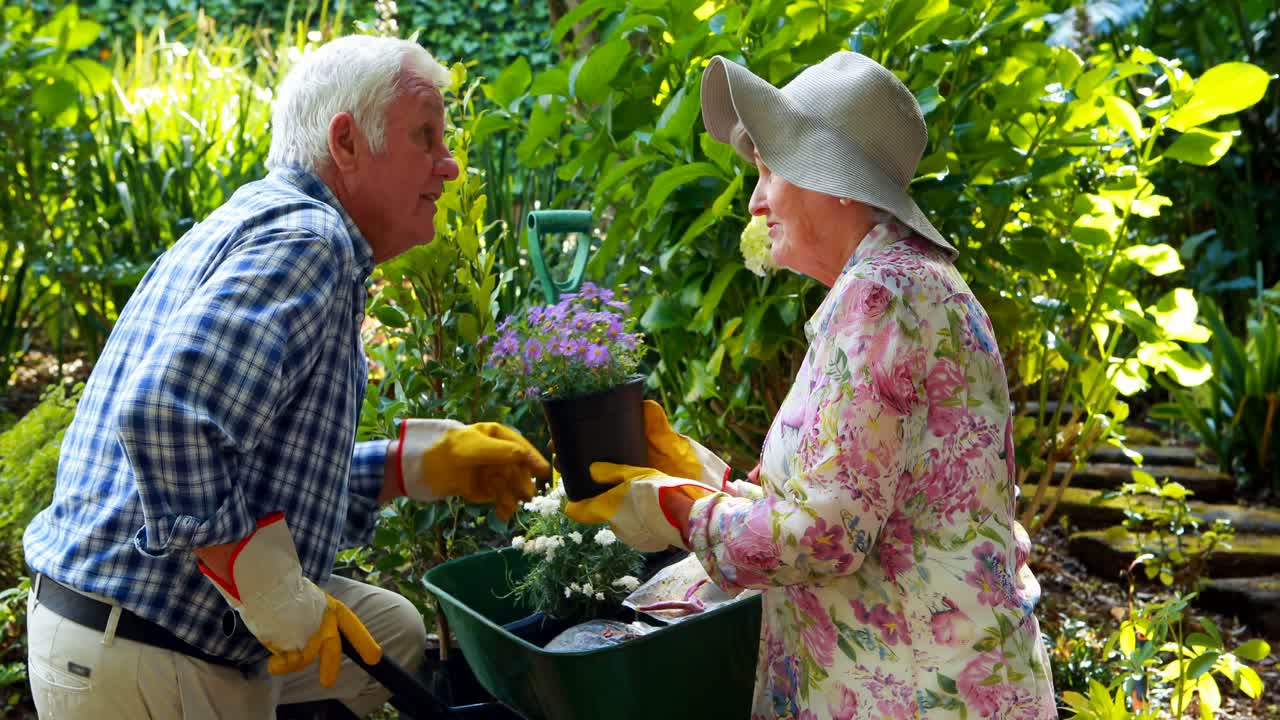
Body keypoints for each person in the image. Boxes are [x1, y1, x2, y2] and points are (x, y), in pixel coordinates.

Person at [23, 35, 549, 719]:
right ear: (347, 141)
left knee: (388, 627)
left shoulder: (262, 221)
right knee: (332, 628)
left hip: (103, 623)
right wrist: (280, 600)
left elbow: (255, 465)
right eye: (426, 136)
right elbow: (166, 418)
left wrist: (410, 465)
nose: (448, 167)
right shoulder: (310, 242)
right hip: (149, 650)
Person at [567, 52, 1057, 719]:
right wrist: (713, 483)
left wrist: (680, 512)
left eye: (769, 170)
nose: (754, 198)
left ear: (838, 181)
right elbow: (863, 500)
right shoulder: (905, 283)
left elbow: (823, 535)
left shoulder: (883, 294)